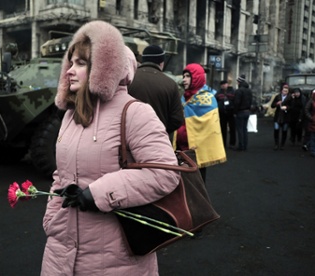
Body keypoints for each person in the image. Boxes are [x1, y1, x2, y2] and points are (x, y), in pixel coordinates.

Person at [41, 20, 180, 275]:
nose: (69, 71)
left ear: (102, 68)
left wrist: (100, 193)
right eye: (70, 63)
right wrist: (52, 220)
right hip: (61, 251)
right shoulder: (70, 116)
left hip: (115, 258)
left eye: (80, 63)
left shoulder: (136, 112)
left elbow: (165, 173)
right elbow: (60, 176)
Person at [174, 63, 226, 183]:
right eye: (184, 76)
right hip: (180, 149)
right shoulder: (183, 97)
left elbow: (207, 127)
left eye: (188, 76)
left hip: (197, 151)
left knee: (197, 184)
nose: (184, 79)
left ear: (196, 77)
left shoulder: (208, 98)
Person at [128, 45, 184, 135]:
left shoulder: (129, 79)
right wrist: (161, 130)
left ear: (142, 60)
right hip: (157, 141)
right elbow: (177, 119)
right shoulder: (170, 84)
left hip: (129, 139)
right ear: (161, 63)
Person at [233, 75, 253, 151]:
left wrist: (235, 112)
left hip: (240, 112)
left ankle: (241, 145)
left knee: (240, 129)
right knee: (245, 129)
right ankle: (245, 145)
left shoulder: (239, 91)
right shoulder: (249, 90)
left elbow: (236, 102)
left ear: (239, 82)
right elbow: (251, 101)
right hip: (247, 111)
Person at [215, 80, 236, 149]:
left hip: (231, 112)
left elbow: (235, 101)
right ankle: (223, 143)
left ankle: (232, 143)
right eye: (222, 84)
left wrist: (234, 109)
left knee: (232, 128)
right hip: (222, 113)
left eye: (224, 84)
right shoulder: (218, 92)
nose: (223, 85)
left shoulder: (232, 91)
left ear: (227, 84)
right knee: (222, 129)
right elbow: (215, 100)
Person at [271, 83, 292, 150]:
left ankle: (282, 144)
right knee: (276, 129)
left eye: (286, 91)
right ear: (281, 91)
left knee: (284, 130)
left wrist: (286, 107)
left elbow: (292, 106)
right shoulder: (277, 96)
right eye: (284, 91)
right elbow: (272, 105)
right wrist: (277, 104)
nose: (285, 92)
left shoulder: (290, 97)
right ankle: (276, 144)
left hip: (286, 116)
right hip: (278, 116)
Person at [304, 89, 315, 157]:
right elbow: (306, 109)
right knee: (313, 137)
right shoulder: (311, 101)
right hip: (313, 121)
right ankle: (313, 150)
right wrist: (311, 118)